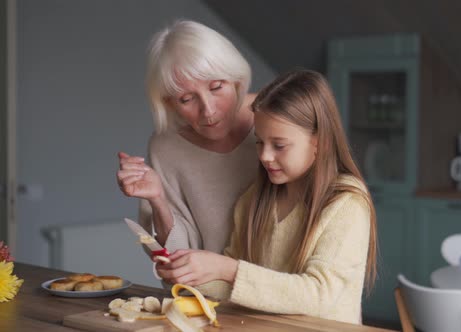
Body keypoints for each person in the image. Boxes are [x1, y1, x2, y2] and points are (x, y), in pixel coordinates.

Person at [155, 69, 378, 325]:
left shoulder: (347, 202)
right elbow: (237, 289)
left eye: (279, 145)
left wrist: (228, 269)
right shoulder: (255, 199)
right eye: (259, 142)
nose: (265, 156)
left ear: (320, 142)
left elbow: (320, 295)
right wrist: (191, 274)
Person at [116, 20, 259, 256]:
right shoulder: (166, 148)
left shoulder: (278, 116)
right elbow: (171, 256)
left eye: (216, 87)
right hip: (208, 292)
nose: (209, 110)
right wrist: (157, 199)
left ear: (237, 80)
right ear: (169, 103)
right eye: (186, 99)